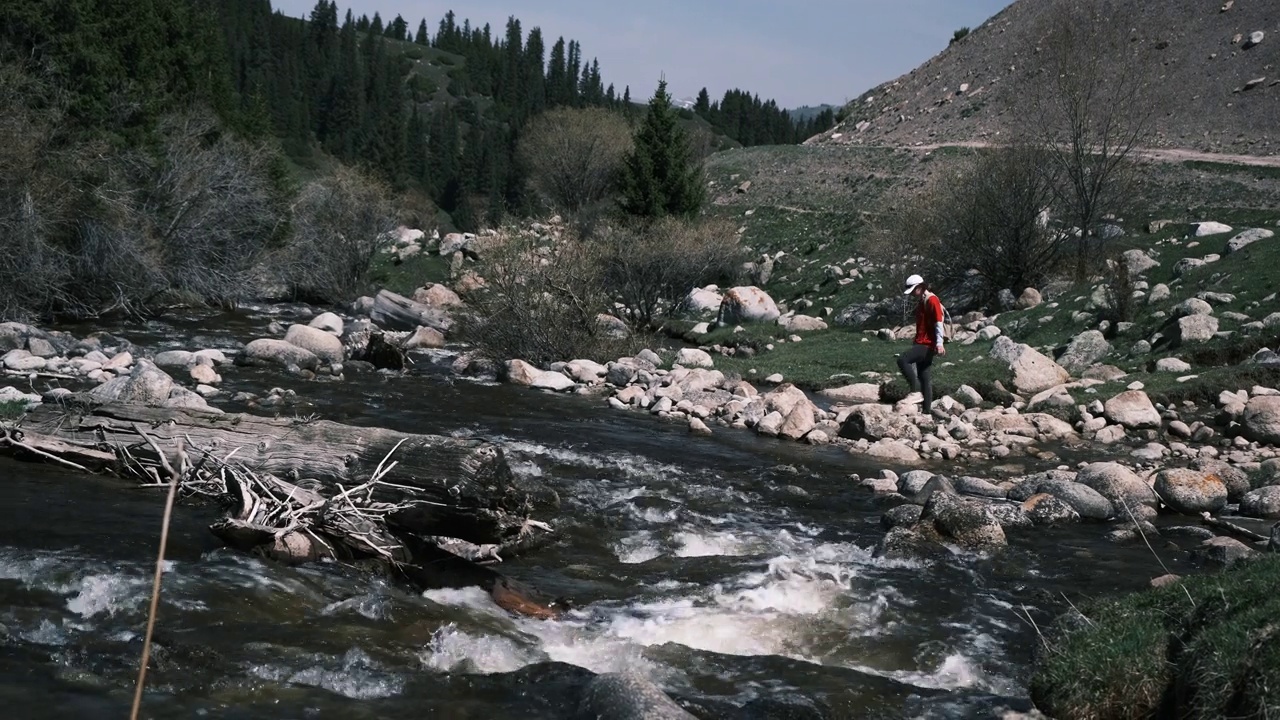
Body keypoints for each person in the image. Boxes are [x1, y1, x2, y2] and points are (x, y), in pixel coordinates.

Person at [897, 273, 946, 411]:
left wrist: (939, 343)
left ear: (920, 287)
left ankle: (915, 391)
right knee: (924, 376)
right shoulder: (922, 301)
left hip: (927, 344)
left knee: (903, 360)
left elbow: (939, 322)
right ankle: (926, 413)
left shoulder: (932, 300)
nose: (912, 294)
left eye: (913, 290)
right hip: (922, 342)